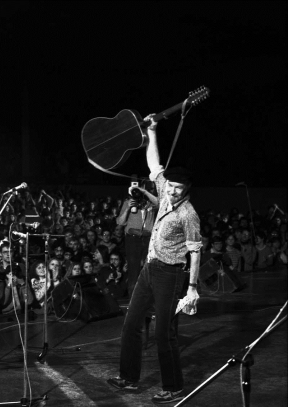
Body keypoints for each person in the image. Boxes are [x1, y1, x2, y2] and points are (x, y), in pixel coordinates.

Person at [108, 115, 202, 404]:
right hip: (150, 268)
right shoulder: (162, 189)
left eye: (177, 188)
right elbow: (154, 164)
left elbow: (196, 250)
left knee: (164, 333)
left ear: (186, 189)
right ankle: (129, 378)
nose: (172, 191)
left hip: (171, 274)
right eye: (170, 186)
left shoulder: (189, 214)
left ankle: (174, 387)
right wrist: (151, 130)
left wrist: (193, 287)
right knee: (131, 323)